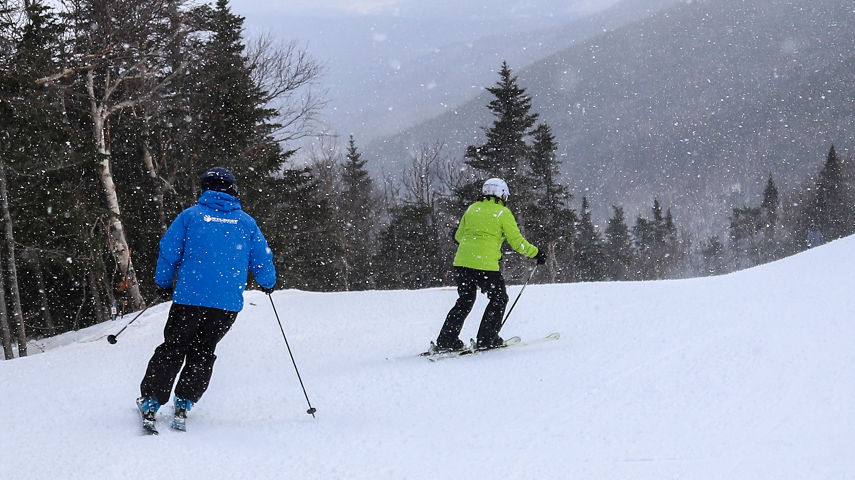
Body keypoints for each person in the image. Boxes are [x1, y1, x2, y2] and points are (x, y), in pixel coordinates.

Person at [136, 167, 276, 432]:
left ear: (206, 189)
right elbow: (262, 257)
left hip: (190, 298)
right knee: (203, 351)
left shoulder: (191, 216)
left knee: (173, 347)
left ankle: (152, 400)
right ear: (233, 190)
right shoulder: (246, 222)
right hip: (224, 305)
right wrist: (268, 282)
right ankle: (185, 400)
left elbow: (169, 251)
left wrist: (163, 283)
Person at [433, 178, 545, 353]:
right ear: (502, 195)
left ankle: (447, 340)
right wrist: (537, 253)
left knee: (464, 301)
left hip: (462, 263)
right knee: (499, 298)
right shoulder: (503, 212)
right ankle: (487, 338)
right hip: (485, 265)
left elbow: (458, 237)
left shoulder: (472, 209)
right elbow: (517, 242)